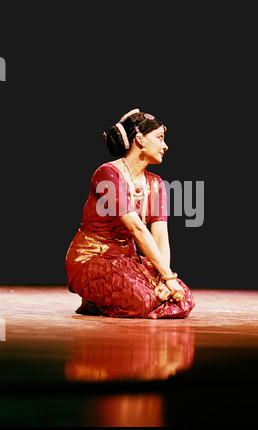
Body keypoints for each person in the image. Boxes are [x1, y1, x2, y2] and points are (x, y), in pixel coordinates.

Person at [65, 109, 195, 318]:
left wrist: (165, 279)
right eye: (160, 138)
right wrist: (168, 278)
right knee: (140, 301)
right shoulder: (107, 174)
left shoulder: (156, 183)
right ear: (140, 140)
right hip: (92, 259)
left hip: (127, 260)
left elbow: (161, 235)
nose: (165, 146)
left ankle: (120, 296)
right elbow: (136, 228)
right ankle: (93, 299)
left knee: (184, 298)